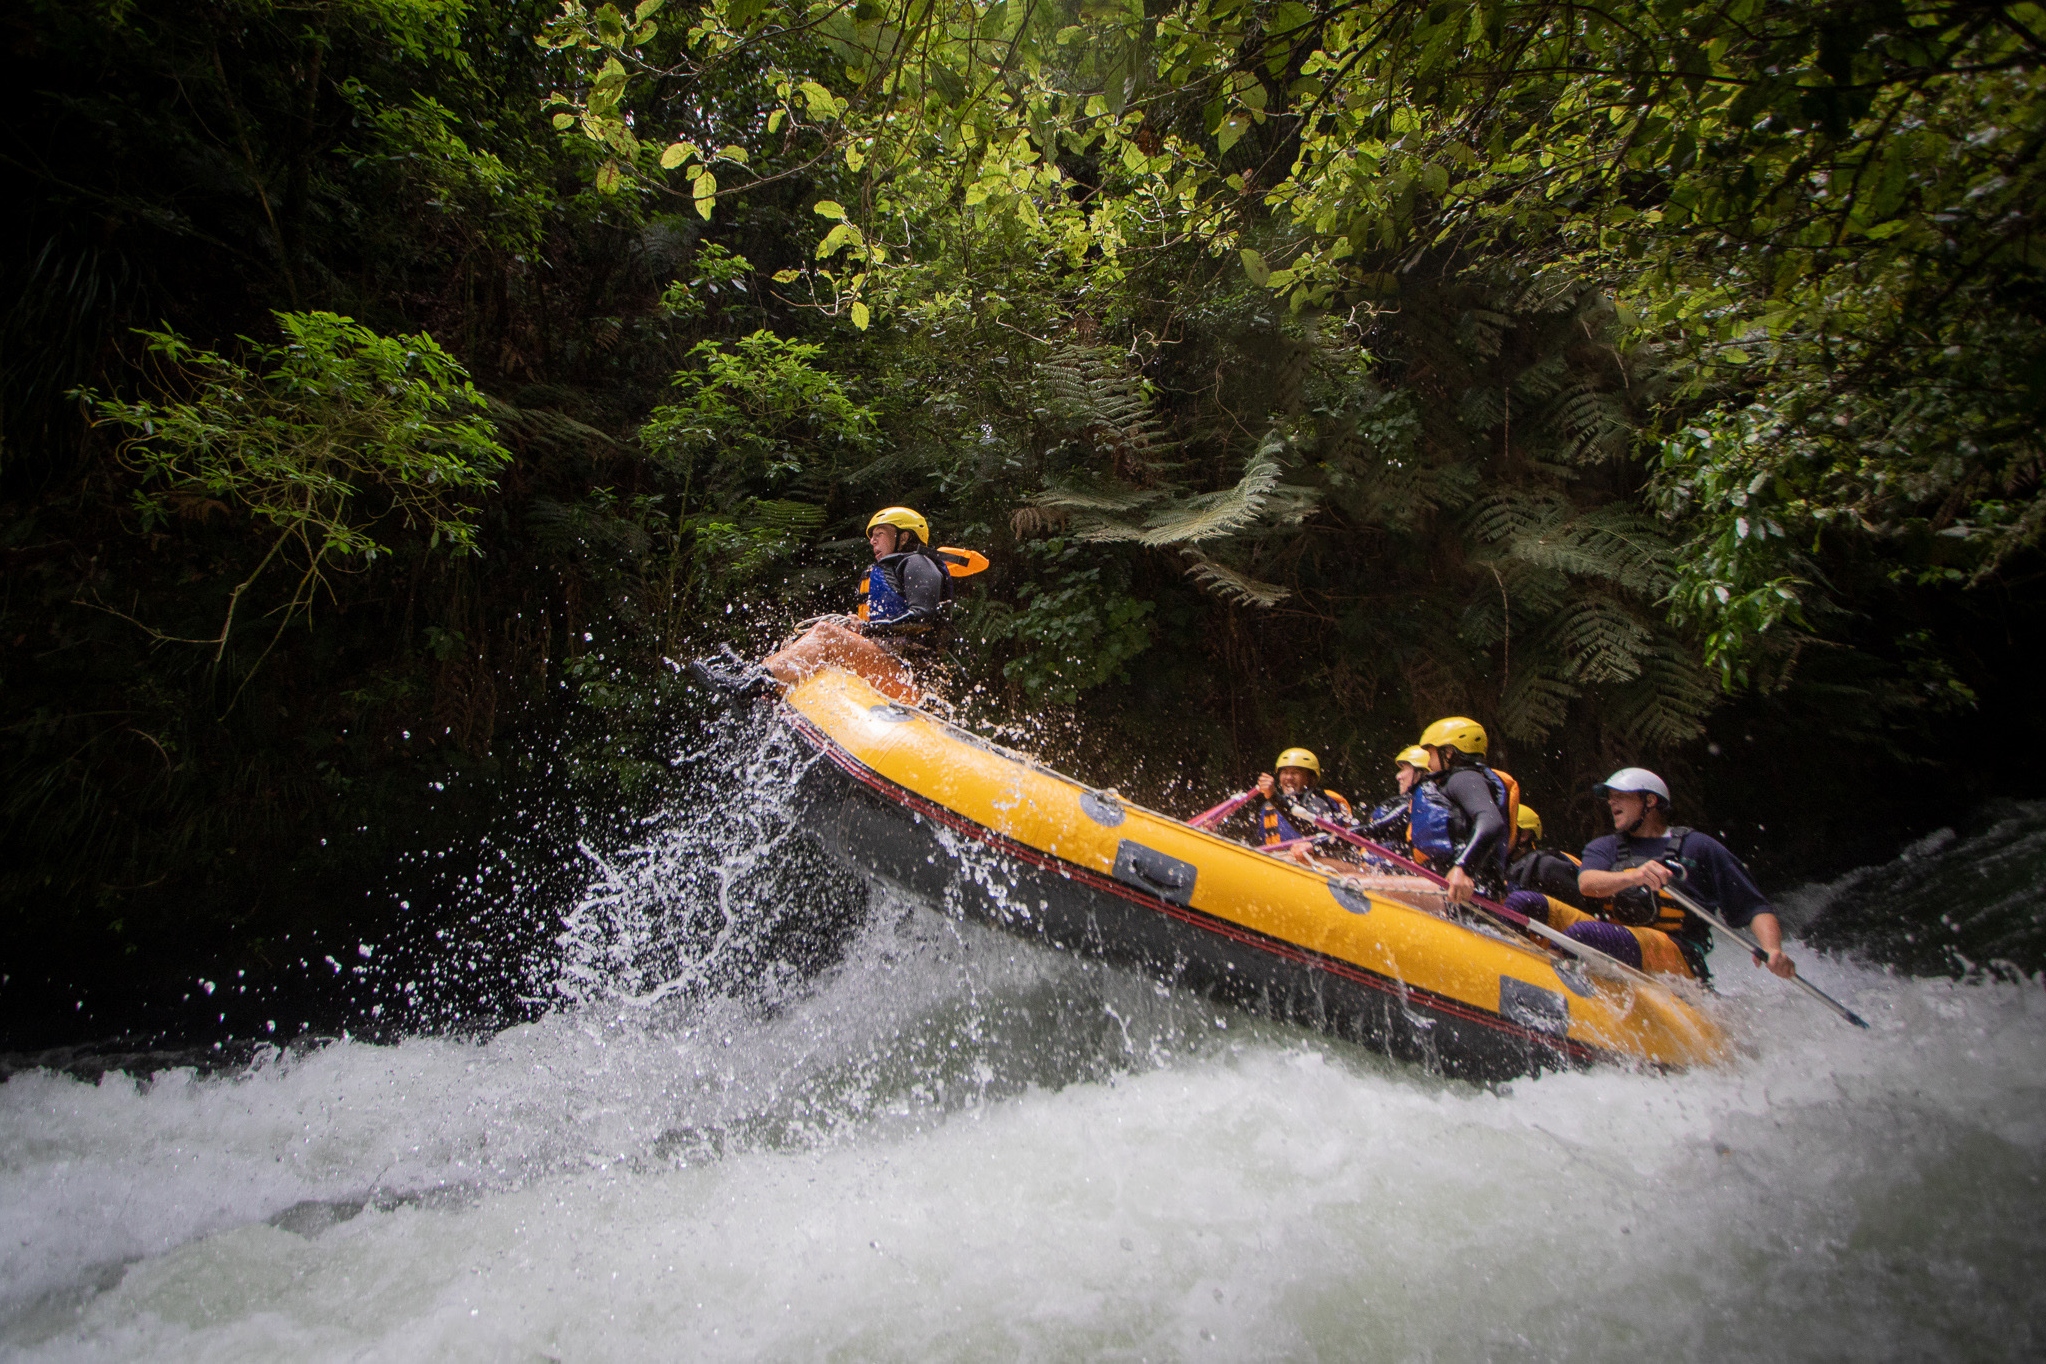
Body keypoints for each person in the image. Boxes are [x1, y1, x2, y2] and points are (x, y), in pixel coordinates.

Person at [1563, 767, 1797, 981]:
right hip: (1618, 937)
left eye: (1621, 795)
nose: (1611, 801)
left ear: (1650, 801)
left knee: (1582, 934)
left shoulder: (1698, 847)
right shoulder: (1605, 847)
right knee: (1529, 903)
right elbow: (1587, 883)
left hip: (1679, 953)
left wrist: (1772, 949)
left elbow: (1754, 907)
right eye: (1610, 797)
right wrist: (1634, 876)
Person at [1406, 716, 1518, 908]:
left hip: (1467, 893)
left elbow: (1491, 821)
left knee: (1357, 886)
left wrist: (1463, 867)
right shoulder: (1450, 783)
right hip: (1453, 887)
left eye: (1431, 754)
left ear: (1448, 753)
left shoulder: (1464, 778)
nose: (1429, 763)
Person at [1246, 748, 1354, 846]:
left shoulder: (1318, 802)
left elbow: (1312, 833)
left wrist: (1274, 797)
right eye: (1285, 772)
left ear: (1310, 778)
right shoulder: (1270, 806)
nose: (1288, 777)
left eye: (1295, 772)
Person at [1506, 804, 1586, 909]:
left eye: (1505, 828)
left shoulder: (1546, 866)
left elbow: (1585, 902)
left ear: (1524, 835)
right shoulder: (1501, 863)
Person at [1359, 745, 1430, 848]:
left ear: (1421, 773)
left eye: (1404, 769)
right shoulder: (1407, 801)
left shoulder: (1412, 805)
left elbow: (1374, 828)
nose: (1398, 776)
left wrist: (1333, 836)